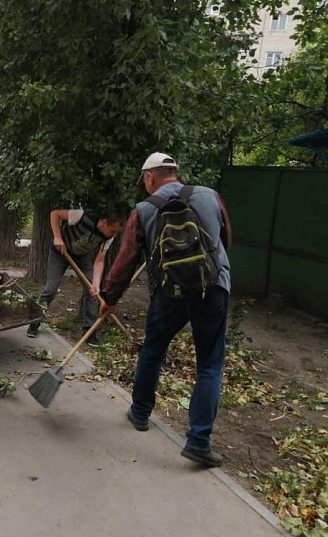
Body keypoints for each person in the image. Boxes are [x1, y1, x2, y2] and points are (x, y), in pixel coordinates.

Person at [99, 152, 232, 468]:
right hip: (211, 288)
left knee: (153, 351)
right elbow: (225, 239)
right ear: (175, 173)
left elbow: (126, 259)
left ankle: (141, 413)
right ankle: (198, 442)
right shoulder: (210, 196)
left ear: (150, 178)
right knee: (209, 365)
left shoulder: (144, 210)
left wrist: (110, 296)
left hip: (169, 295)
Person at [26, 209, 124, 346]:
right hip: (60, 254)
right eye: (113, 230)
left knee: (93, 292)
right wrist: (57, 237)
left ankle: (89, 331)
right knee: (50, 289)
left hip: (81, 257)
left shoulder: (108, 237)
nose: (114, 234)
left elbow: (100, 260)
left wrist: (95, 284)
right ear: (104, 222)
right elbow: (54, 214)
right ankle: (34, 322)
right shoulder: (82, 216)